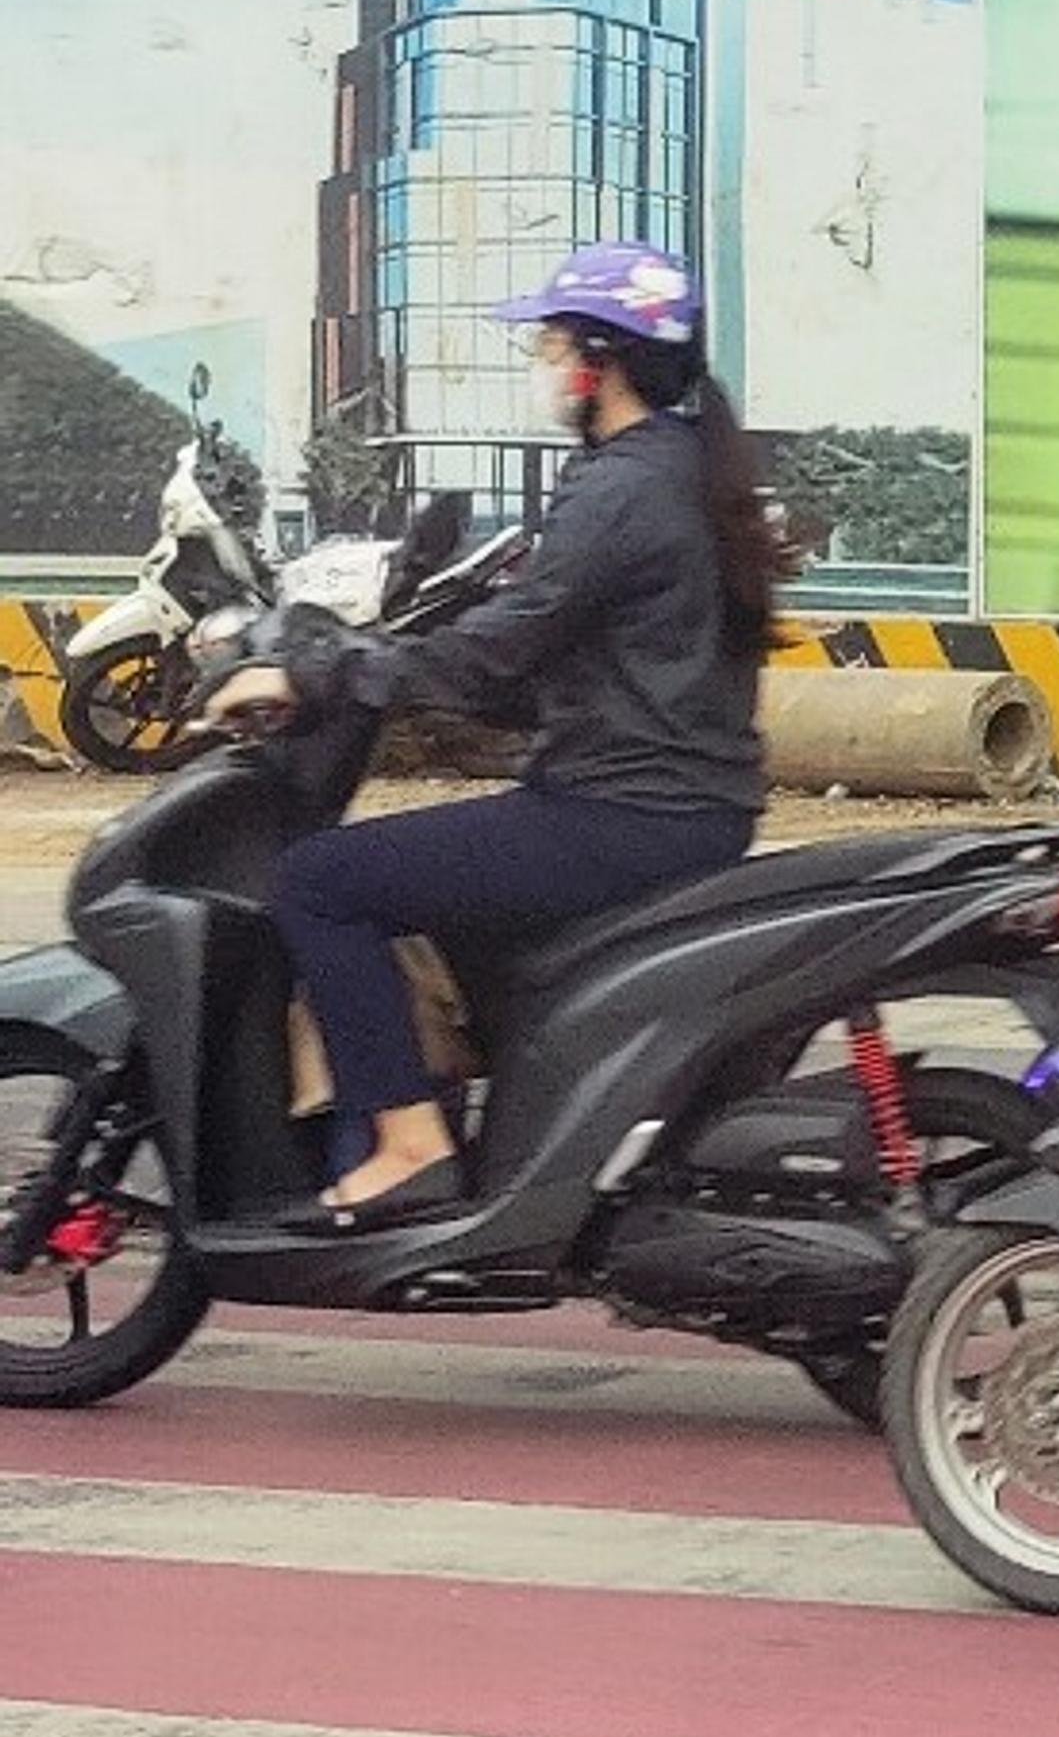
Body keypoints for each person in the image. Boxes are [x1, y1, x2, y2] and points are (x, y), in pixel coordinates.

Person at [221, 244, 775, 1226]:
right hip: (685, 805)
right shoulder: (686, 469)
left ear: (594, 363)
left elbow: (487, 660)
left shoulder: (615, 491)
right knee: (445, 887)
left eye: (550, 342)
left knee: (322, 881)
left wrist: (314, 669)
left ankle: (407, 1142)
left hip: (623, 813)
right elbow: (580, 663)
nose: (541, 363)